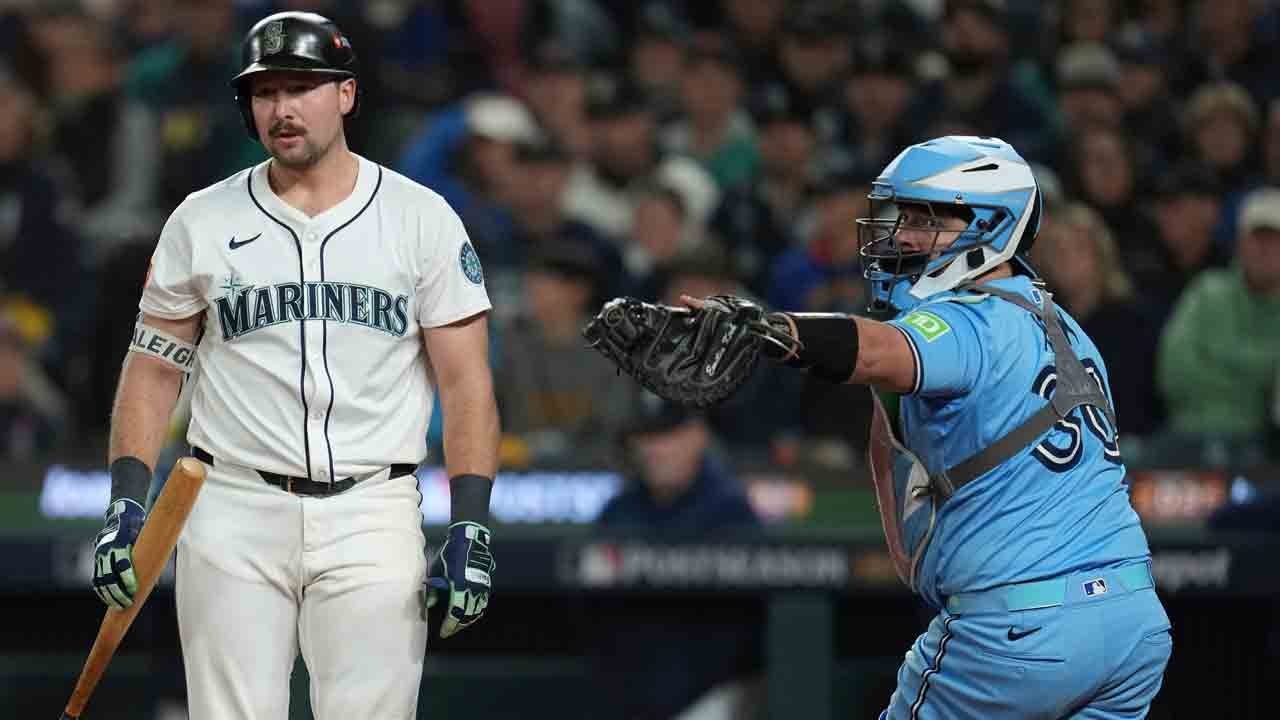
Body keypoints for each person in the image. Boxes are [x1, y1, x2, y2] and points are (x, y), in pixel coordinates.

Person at [88, 13, 499, 720]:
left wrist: (471, 524)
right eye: (266, 91)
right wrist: (126, 501)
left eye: (302, 87)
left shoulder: (421, 218)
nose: (282, 108)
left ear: (346, 94)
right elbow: (153, 370)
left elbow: (466, 385)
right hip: (232, 506)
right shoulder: (201, 220)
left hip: (373, 507)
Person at [683, 136, 1170, 717]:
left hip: (1019, 632)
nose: (903, 235)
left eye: (927, 219)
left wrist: (770, 330)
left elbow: (880, 352)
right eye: (905, 217)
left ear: (991, 226)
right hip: (1132, 623)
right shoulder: (1068, 327)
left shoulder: (970, 318)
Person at [1156, 187, 1280, 440]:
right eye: (1257, 239)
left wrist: (1221, 362)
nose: (1264, 250)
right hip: (1188, 434)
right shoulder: (1207, 291)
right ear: (1240, 244)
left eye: (1275, 240)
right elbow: (1173, 376)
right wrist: (1259, 377)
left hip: (1260, 442)